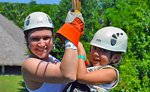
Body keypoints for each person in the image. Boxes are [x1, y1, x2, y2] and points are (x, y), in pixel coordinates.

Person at [22, 11, 84, 92]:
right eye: (35, 39)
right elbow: (68, 76)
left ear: (53, 38)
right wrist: (71, 36)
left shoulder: (52, 60)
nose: (41, 44)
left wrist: (80, 56)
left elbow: (75, 73)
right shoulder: (29, 65)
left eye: (46, 38)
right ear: (27, 39)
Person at [64, 26, 128, 92]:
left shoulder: (111, 73)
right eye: (94, 48)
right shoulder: (87, 66)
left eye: (103, 50)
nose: (95, 53)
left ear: (115, 58)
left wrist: (81, 54)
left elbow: (81, 77)